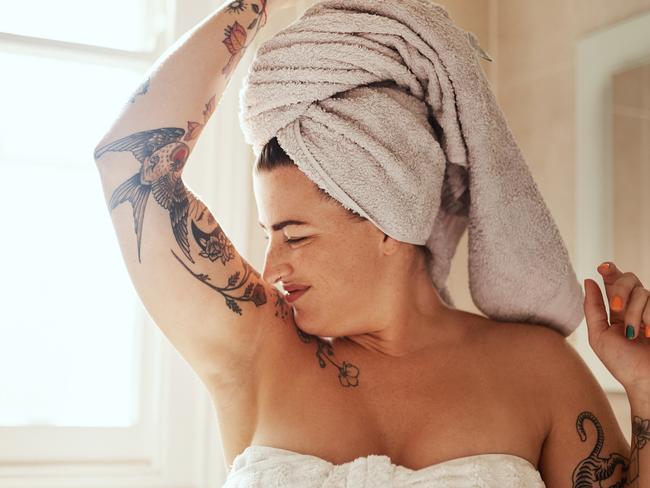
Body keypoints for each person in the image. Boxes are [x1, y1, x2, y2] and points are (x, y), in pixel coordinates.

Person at [93, 0, 650, 486]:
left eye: (296, 235)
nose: (270, 265)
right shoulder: (258, 349)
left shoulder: (538, 369)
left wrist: (645, 390)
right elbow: (128, 160)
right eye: (268, 234)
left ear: (389, 221)